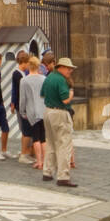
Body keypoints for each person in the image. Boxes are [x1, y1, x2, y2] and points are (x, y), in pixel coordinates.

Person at [41, 57, 78, 187]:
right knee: (64, 145)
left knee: (50, 143)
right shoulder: (61, 80)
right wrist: (72, 92)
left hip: (48, 111)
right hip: (60, 113)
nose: (70, 71)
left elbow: (42, 94)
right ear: (61, 67)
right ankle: (63, 176)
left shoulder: (49, 77)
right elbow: (66, 100)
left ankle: (47, 172)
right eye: (68, 68)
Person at [18, 56, 46, 169]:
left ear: (29, 66)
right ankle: (45, 160)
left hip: (32, 112)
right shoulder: (44, 79)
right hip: (43, 110)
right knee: (43, 138)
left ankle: (39, 161)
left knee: (36, 138)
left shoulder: (24, 80)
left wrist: (22, 112)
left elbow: (23, 99)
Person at [10, 49, 34, 163]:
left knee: (27, 130)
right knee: (26, 131)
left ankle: (26, 152)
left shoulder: (23, 73)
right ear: (24, 62)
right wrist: (14, 103)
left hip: (23, 105)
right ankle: (24, 154)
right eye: (28, 62)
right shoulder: (17, 74)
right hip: (22, 106)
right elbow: (19, 91)